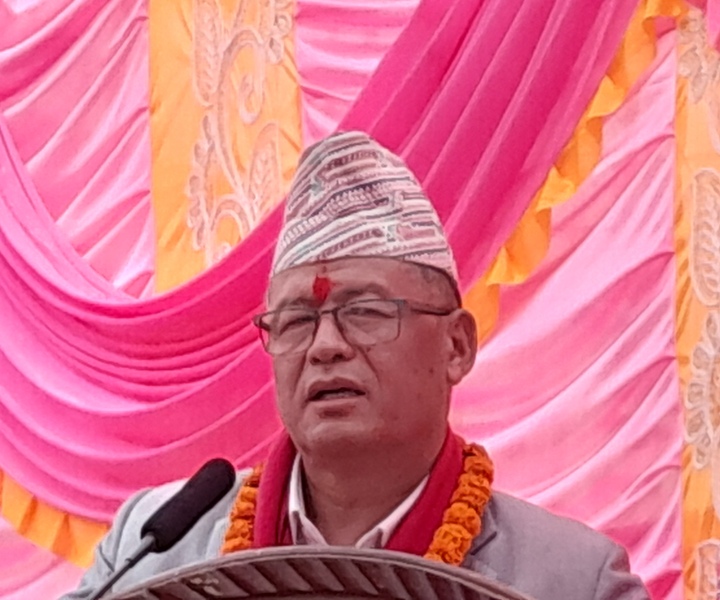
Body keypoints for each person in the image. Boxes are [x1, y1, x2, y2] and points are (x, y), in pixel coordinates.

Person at [61, 131, 650, 600]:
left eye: (365, 312)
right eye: (295, 320)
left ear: (456, 346)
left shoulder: (573, 581)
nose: (325, 346)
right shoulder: (155, 544)